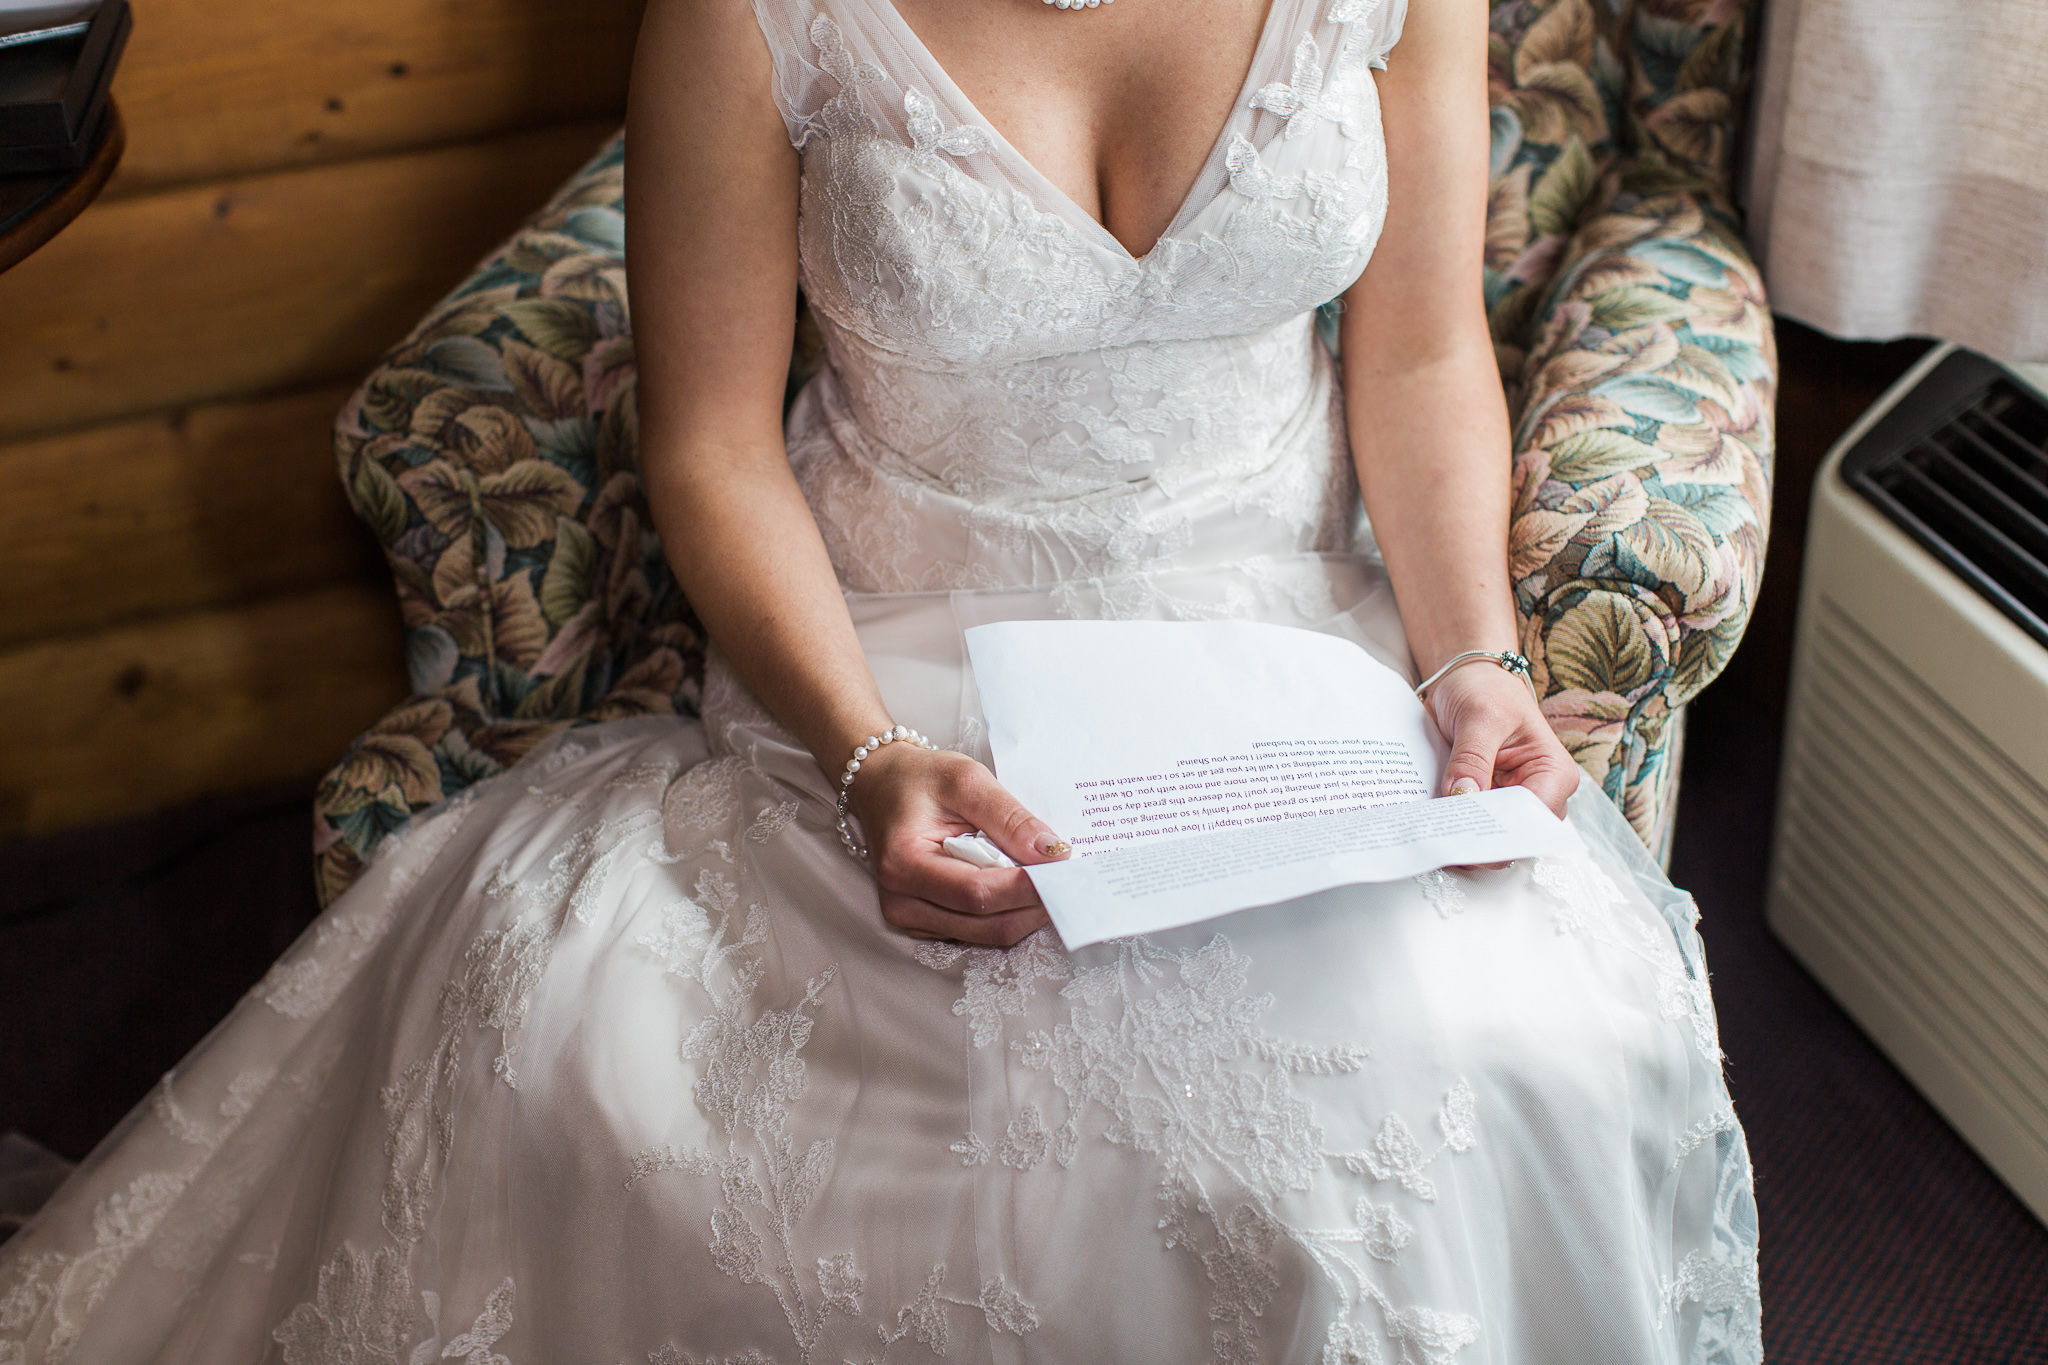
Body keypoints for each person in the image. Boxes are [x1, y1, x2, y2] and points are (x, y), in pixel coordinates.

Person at [0, 0, 1761, 1360]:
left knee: (1498, 1057)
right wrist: (867, 755)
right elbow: (707, 446)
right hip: (900, 656)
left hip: (1287, 648)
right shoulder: (752, 12)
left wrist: (1470, 656)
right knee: (628, 1077)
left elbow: (1426, 343)